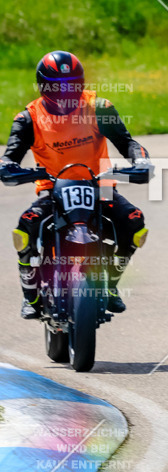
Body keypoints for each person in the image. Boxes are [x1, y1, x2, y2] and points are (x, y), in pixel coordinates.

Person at [0, 51, 152, 319]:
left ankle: (111, 284)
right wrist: (8, 168)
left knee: (133, 222)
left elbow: (127, 142)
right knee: (26, 226)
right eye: (58, 86)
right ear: (44, 86)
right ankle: (31, 295)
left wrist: (140, 159)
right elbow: (9, 157)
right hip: (53, 188)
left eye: (72, 84)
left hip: (100, 185)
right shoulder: (28, 118)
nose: (65, 91)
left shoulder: (99, 107)